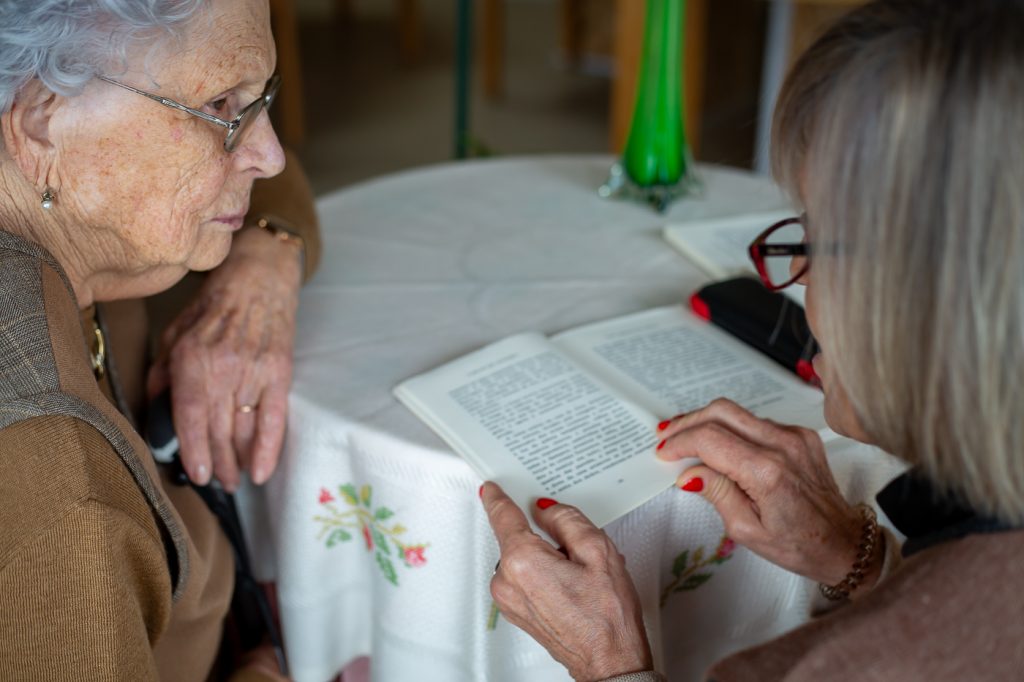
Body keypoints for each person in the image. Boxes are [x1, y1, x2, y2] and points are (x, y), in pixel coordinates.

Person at [480, 0, 1024, 679]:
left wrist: (611, 662)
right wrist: (864, 558)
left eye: (816, 240)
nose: (796, 287)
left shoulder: (831, 667)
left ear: (915, 301)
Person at [0, 1, 319, 679]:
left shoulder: (82, 225)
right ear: (41, 121)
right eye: (223, 107)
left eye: (261, 98)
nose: (265, 152)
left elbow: (279, 180)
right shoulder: (58, 496)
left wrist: (263, 262)